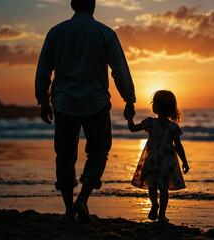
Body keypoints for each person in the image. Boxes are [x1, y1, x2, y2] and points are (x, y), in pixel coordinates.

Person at [35, 0, 135, 222]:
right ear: (94, 6)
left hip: (65, 103)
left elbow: (44, 68)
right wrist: (129, 99)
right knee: (99, 151)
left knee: (64, 155)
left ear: (72, 5)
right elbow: (119, 70)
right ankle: (83, 199)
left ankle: (69, 209)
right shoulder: (105, 33)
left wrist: (43, 99)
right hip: (95, 103)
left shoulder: (56, 32)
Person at [125, 90, 189, 222]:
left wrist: (130, 118)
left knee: (152, 185)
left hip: (152, 159)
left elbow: (132, 128)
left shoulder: (150, 122)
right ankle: (162, 215)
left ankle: (154, 204)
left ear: (156, 107)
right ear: (171, 108)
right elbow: (178, 146)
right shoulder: (173, 127)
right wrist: (185, 162)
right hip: (167, 161)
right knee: (164, 189)